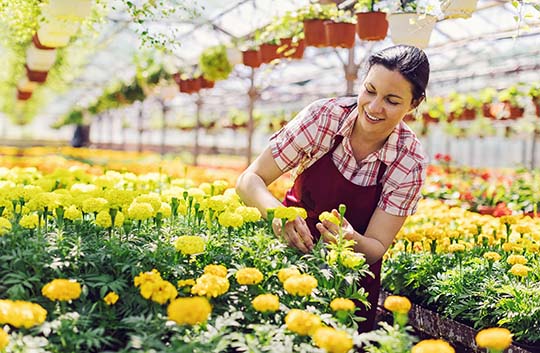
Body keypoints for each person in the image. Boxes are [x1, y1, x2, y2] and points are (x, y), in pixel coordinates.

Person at [235, 45, 429, 332]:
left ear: (414, 104)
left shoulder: (409, 160)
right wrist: (278, 213)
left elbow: (375, 247)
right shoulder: (324, 118)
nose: (374, 107)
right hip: (291, 254)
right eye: (370, 90)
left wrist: (350, 240)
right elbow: (249, 180)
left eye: (391, 100)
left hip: (351, 282)